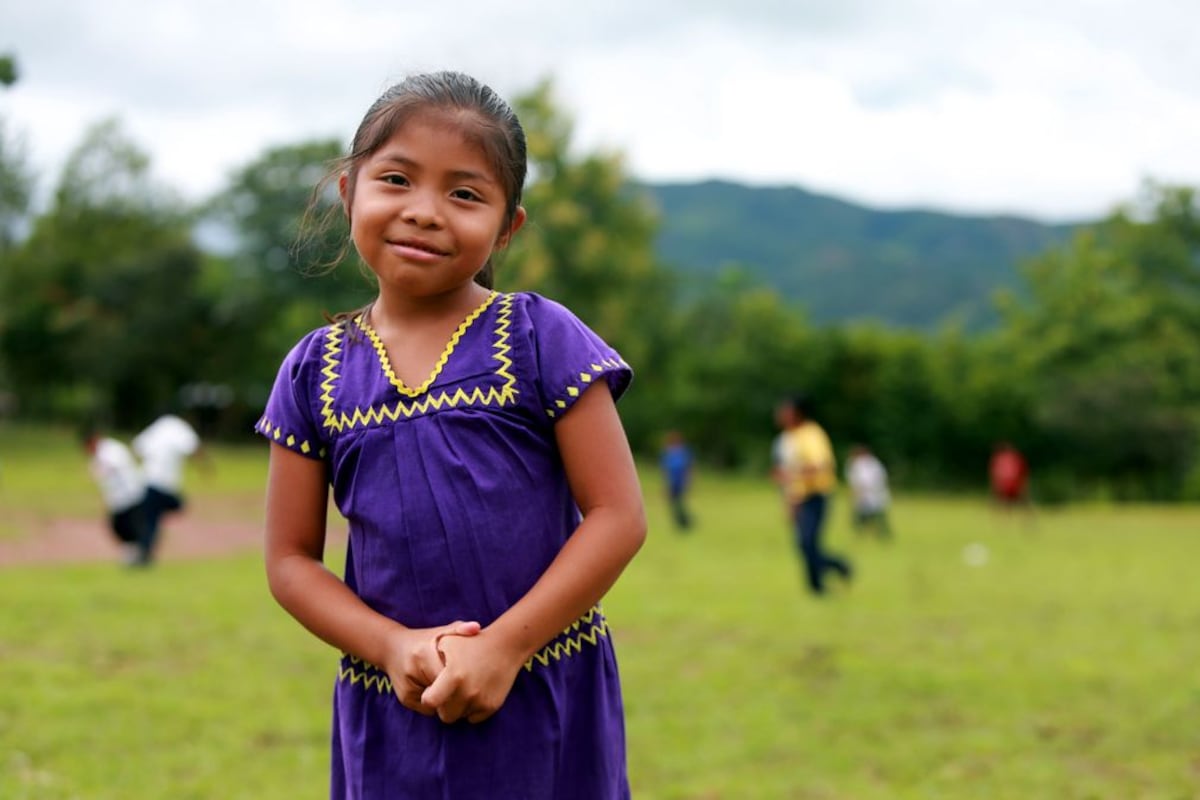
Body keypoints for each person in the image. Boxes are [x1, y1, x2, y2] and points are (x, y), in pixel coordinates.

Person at [256, 71, 646, 800]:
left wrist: (504, 648)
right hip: (393, 708)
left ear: (507, 227)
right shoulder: (313, 372)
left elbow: (618, 516)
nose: (424, 212)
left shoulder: (540, 338)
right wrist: (391, 645)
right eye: (396, 180)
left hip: (543, 693)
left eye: (465, 194)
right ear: (349, 192)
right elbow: (289, 561)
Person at [774, 395, 852, 595]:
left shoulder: (812, 434)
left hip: (816, 495)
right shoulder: (788, 437)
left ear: (797, 413)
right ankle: (819, 584)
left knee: (808, 542)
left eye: (785, 411)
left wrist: (793, 474)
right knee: (804, 544)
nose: (780, 414)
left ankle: (835, 569)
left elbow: (820, 465)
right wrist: (790, 497)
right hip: (798, 497)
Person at [132, 411, 205, 560]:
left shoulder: (158, 426)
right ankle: (144, 553)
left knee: (151, 518)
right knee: (174, 508)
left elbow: (137, 447)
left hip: (147, 481)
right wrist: (205, 467)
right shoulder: (180, 428)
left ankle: (144, 552)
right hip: (164, 485)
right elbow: (193, 447)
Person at [81, 425, 150, 566]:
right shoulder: (100, 454)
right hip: (118, 498)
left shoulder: (111, 450)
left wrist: (101, 469)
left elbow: (114, 466)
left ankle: (137, 554)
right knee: (119, 527)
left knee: (126, 526)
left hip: (130, 494)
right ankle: (132, 554)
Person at [846, 444, 892, 538]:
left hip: (871, 494)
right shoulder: (871, 463)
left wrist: (858, 492)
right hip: (871, 494)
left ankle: (879, 533)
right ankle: (868, 533)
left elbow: (863, 481)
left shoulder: (862, 464)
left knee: (874, 516)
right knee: (867, 516)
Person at [659, 430, 694, 531]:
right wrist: (664, 485)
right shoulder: (667, 453)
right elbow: (665, 471)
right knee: (673, 503)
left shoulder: (683, 452)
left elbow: (689, 468)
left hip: (680, 482)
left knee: (680, 502)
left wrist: (689, 481)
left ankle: (684, 522)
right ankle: (679, 522)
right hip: (672, 483)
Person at [989, 441, 1031, 510]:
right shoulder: (1015, 457)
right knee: (1022, 499)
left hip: (1006, 483)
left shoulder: (999, 458)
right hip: (1015, 483)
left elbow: (996, 472)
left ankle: (1002, 512)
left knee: (1003, 499)